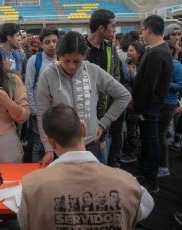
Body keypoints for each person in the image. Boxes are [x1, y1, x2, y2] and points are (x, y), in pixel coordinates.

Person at [18, 104, 154, 230]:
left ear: (51, 143)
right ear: (83, 129)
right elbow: (147, 206)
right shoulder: (128, 184)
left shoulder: (32, 187)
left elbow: (24, 222)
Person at [36, 31, 130, 165]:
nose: (71, 66)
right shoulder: (48, 74)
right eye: (66, 60)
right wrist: (48, 148)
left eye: (77, 61)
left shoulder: (93, 70)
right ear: (59, 55)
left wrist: (104, 123)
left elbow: (124, 95)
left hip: (90, 143)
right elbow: (42, 112)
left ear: (84, 56)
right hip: (61, 145)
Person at [132, 15, 173, 193]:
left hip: (150, 107)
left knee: (152, 141)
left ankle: (152, 180)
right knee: (149, 141)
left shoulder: (158, 52)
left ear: (148, 29)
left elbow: (149, 86)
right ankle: (147, 173)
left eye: (143, 30)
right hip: (150, 106)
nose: (142, 33)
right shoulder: (156, 49)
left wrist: (139, 109)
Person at [85, 9, 123, 167]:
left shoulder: (111, 49)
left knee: (102, 161)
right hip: (83, 114)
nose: (115, 30)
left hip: (104, 114)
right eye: (113, 26)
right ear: (101, 28)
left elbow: (115, 77)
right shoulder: (80, 47)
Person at [25, 27, 59, 162]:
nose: (52, 45)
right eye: (47, 42)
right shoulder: (34, 60)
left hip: (58, 112)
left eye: (54, 41)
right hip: (40, 112)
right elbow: (29, 86)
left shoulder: (63, 59)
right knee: (39, 145)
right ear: (41, 43)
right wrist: (34, 110)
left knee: (58, 145)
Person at [157, 41, 182, 177]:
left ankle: (163, 166)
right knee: (155, 134)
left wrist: (164, 82)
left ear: (172, 51)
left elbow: (179, 85)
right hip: (156, 102)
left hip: (168, 104)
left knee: (161, 135)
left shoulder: (177, 65)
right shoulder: (160, 64)